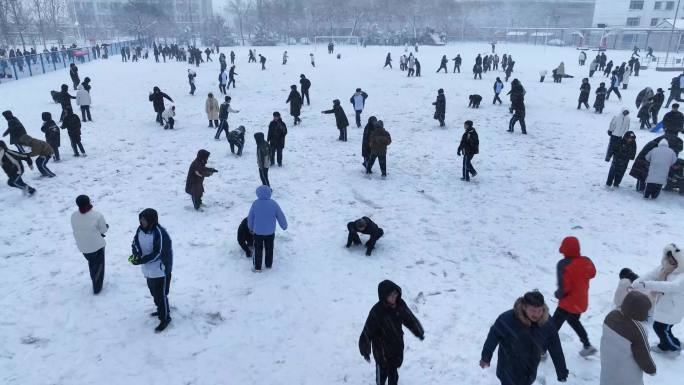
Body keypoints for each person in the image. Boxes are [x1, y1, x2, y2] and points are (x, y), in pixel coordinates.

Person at [480, 291, 569, 385]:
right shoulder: (507, 319)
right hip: (508, 369)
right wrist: (486, 357)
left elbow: (555, 346)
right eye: (533, 310)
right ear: (524, 307)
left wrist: (561, 370)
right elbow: (493, 337)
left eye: (539, 310)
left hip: (530, 370)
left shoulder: (547, 323)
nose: (536, 314)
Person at [359, 280, 424, 385]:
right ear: (384, 296)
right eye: (391, 295)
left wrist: (418, 331)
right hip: (382, 352)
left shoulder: (400, 305)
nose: (394, 297)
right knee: (381, 376)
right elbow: (367, 331)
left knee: (393, 375)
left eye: (395, 294)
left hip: (396, 348)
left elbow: (409, 319)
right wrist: (365, 349)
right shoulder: (377, 311)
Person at [632, 244, 683, 353]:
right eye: (669, 259)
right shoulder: (664, 268)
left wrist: (647, 285)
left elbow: (671, 287)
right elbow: (650, 275)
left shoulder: (682, 274)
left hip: (674, 308)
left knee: (659, 328)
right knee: (664, 328)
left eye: (673, 261)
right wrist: (636, 284)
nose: (671, 263)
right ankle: (668, 344)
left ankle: (674, 347)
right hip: (664, 305)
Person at [129, 208, 173, 333]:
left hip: (160, 269)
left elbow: (158, 253)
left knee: (161, 294)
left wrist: (141, 261)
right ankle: (162, 309)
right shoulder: (140, 230)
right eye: (140, 219)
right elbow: (135, 243)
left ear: (151, 220)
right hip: (148, 269)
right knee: (154, 293)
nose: (141, 222)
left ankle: (165, 318)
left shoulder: (159, 233)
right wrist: (136, 254)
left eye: (144, 220)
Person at [553, 236, 598, 356]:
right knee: (574, 321)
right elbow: (593, 273)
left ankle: (541, 350)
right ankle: (587, 345)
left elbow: (564, 288)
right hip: (580, 302)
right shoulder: (586, 261)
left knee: (553, 326)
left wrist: (558, 294)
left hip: (567, 303)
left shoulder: (563, 264)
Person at [600, 291, 656, 385]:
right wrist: (651, 369)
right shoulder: (637, 329)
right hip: (626, 372)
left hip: (608, 363)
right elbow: (643, 354)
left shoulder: (611, 315)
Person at [70, 195, 108, 294]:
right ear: (89, 202)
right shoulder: (97, 215)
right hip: (96, 246)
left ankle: (94, 278)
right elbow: (103, 230)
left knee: (92, 263)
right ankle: (97, 288)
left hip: (82, 247)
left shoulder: (73, 215)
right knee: (98, 266)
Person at [247, 185, 287, 272]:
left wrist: (250, 227)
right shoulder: (274, 204)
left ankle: (257, 267)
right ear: (270, 193)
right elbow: (280, 215)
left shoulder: (255, 204)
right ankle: (268, 264)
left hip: (258, 233)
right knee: (269, 248)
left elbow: (250, 217)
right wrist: (284, 226)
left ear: (258, 193)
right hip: (270, 233)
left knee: (258, 249)